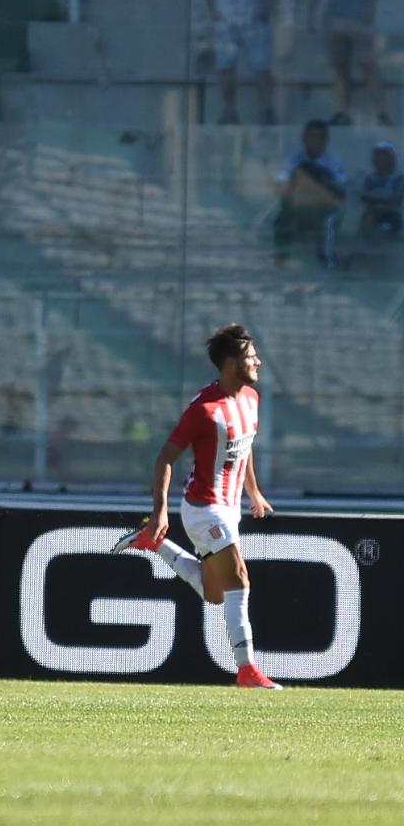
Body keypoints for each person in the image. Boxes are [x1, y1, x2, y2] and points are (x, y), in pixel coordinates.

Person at [112, 323, 280, 690]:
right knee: (239, 577)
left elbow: (245, 447)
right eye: (252, 358)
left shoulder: (251, 399)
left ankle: (153, 544)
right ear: (232, 363)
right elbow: (165, 458)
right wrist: (160, 511)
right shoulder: (204, 410)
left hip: (231, 508)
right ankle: (247, 669)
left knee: (214, 593)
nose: (259, 363)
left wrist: (253, 491)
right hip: (203, 508)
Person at [313, 0, 390, 126]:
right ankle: (343, 112)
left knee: (368, 65)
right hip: (332, 16)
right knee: (339, 67)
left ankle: (381, 113)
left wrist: (371, 10)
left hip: (360, 18)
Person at [274, 118, 345, 267]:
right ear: (304, 138)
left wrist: (312, 185)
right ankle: (280, 257)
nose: (315, 140)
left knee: (330, 219)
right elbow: (281, 189)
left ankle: (327, 260)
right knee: (282, 216)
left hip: (322, 208)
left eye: (320, 136)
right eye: (311, 136)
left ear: (326, 140)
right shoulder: (293, 160)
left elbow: (338, 195)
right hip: (298, 206)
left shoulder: (334, 163)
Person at [204, 0, 275, 125]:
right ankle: (229, 110)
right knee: (225, 66)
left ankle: (265, 109)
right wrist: (211, 8)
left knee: (261, 66)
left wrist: (268, 5)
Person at [357, 141, 404, 239]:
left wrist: (378, 207)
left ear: (392, 159)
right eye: (378, 156)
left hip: (391, 216)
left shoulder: (399, 178)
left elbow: (395, 201)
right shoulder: (370, 179)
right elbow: (364, 198)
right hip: (371, 215)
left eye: (384, 156)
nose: (380, 159)